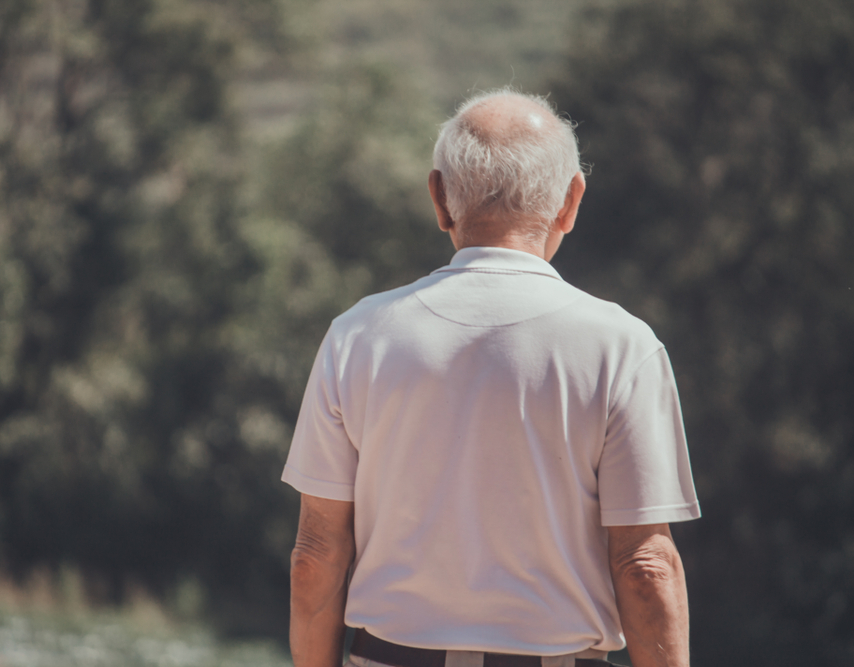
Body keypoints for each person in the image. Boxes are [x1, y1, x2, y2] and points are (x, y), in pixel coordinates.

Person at [282, 89, 701, 667]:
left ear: (439, 198)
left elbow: (316, 554)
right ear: (570, 200)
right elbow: (644, 566)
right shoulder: (623, 346)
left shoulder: (357, 336)